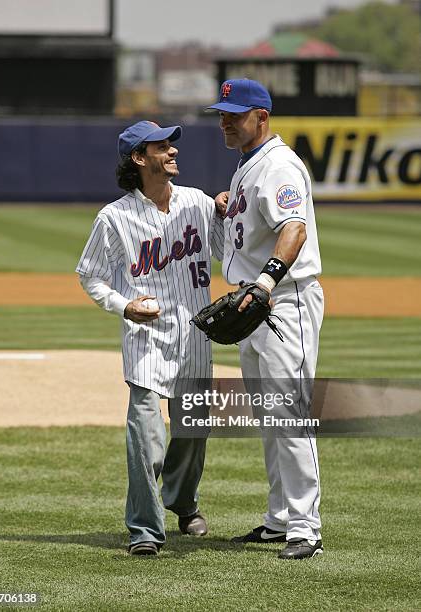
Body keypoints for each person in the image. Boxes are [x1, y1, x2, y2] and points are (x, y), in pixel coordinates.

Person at [76, 121, 224, 556]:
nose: (172, 151)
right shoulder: (115, 217)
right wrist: (124, 306)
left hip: (196, 335)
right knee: (145, 433)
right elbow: (90, 275)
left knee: (193, 433)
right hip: (147, 338)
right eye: (162, 146)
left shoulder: (196, 202)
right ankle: (144, 529)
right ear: (140, 159)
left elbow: (223, 248)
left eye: (171, 144)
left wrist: (225, 209)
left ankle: (183, 501)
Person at [207, 79, 324, 559]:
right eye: (223, 112)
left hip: (283, 302)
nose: (226, 121)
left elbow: (293, 228)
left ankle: (306, 528)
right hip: (256, 303)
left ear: (263, 116)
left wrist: (267, 282)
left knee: (289, 414)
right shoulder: (247, 167)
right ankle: (280, 520)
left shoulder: (277, 165)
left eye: (236, 113)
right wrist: (223, 209)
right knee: (268, 416)